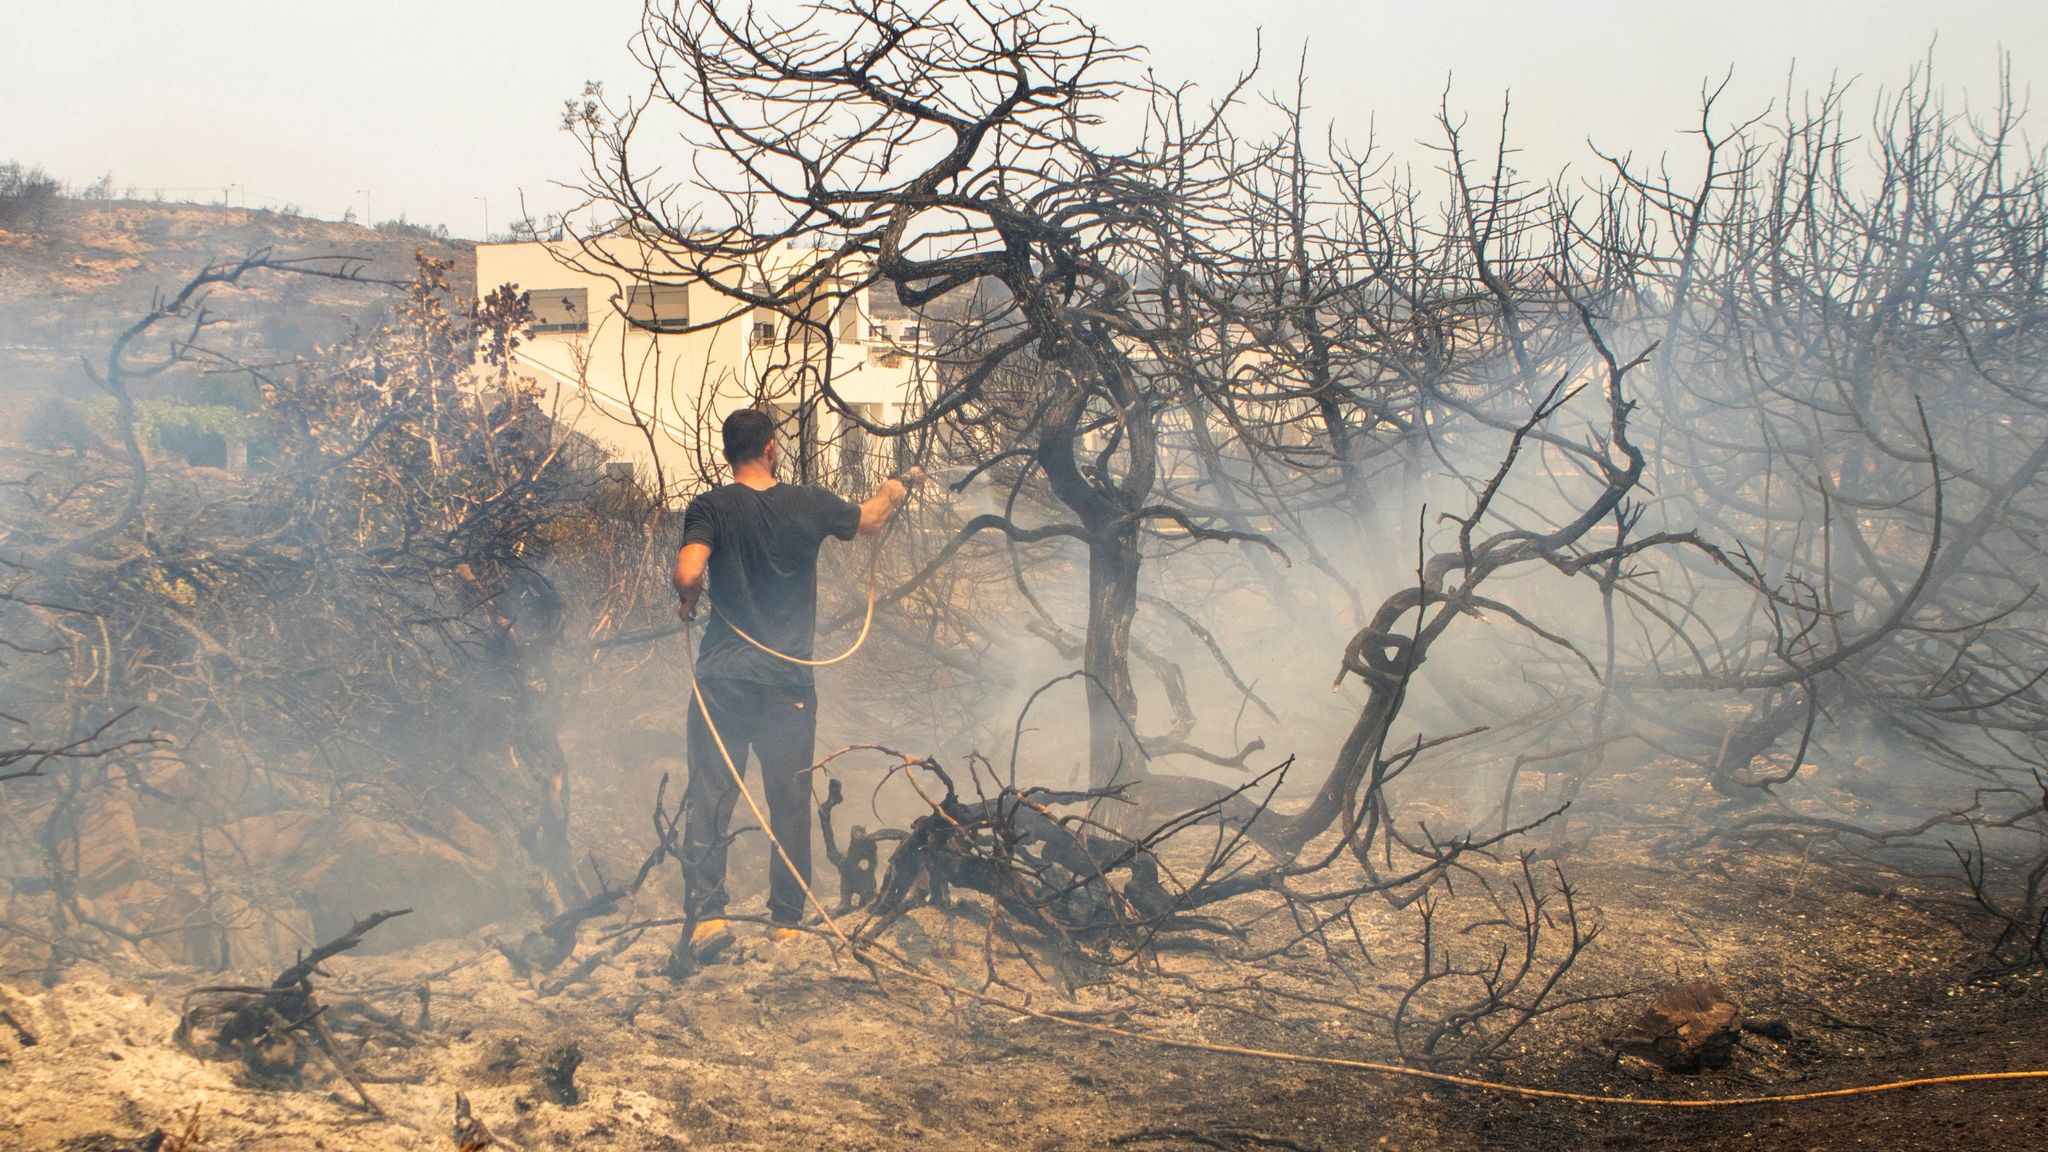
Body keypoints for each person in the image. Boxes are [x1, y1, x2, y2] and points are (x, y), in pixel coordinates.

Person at [671, 408, 916, 951]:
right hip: (788, 684)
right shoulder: (809, 502)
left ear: (726, 453)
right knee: (788, 799)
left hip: (722, 680)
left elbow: (688, 572)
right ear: (772, 448)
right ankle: (785, 918)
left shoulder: (710, 506)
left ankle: (710, 917)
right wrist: (894, 488)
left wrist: (689, 597)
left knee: (711, 797)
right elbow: (872, 519)